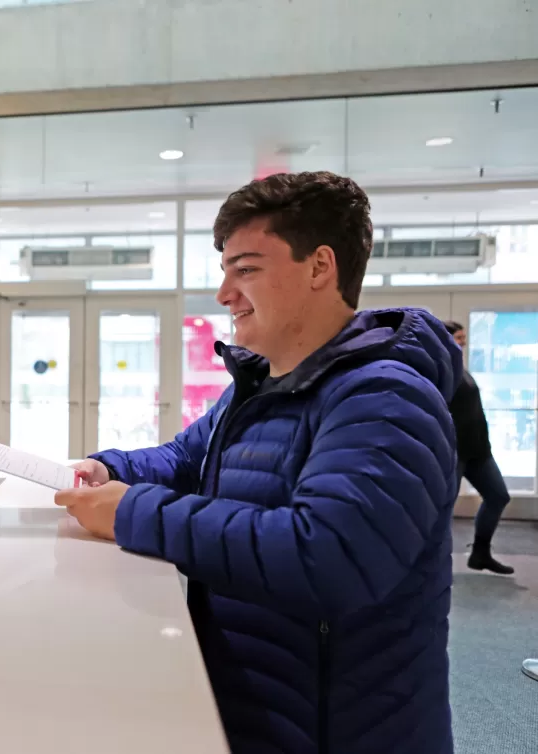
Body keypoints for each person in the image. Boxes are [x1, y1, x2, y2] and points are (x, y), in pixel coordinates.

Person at [58, 172, 462, 754]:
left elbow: (329, 555)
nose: (224, 294)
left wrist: (131, 512)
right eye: (225, 271)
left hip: (339, 729)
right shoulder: (261, 383)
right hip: (264, 705)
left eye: (245, 269)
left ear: (321, 266)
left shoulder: (383, 397)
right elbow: (183, 457)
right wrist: (110, 468)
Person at [442, 320, 513, 574]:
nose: (463, 342)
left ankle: (480, 553)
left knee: (498, 496)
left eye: (464, 338)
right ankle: (431, 565)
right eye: (458, 337)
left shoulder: (461, 367)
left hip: (479, 450)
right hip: (454, 452)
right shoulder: (440, 368)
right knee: (442, 510)